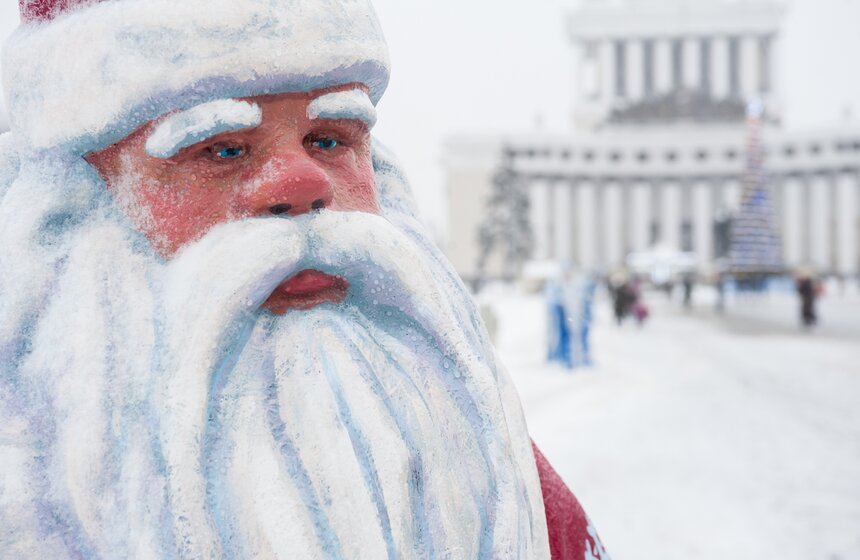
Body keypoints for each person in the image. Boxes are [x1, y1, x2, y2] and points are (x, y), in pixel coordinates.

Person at [0, 1, 608, 558]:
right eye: (221, 149)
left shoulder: (499, 478)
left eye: (328, 139)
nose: (302, 185)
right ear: (72, 209)